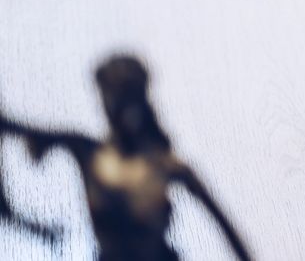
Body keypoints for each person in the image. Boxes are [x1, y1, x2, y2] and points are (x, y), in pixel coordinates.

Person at [4, 55, 252, 260]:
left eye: (124, 101)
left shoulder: (165, 167)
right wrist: (20, 220)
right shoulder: (86, 151)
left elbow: (229, 235)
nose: (120, 112)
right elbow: (9, 129)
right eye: (112, 101)